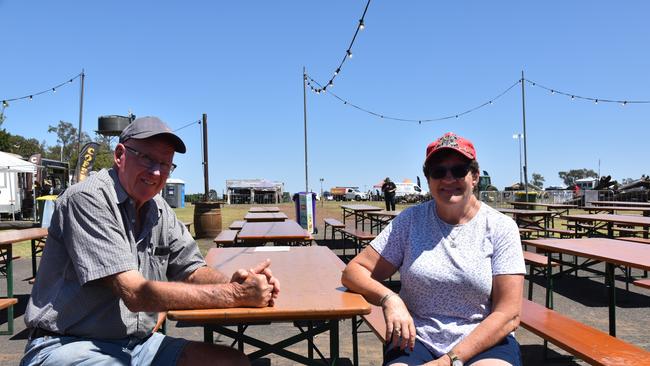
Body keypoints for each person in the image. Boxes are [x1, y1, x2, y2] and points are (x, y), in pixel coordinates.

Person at [22, 116, 280, 366]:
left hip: (137, 345)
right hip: (67, 345)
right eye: (146, 158)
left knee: (230, 361)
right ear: (120, 155)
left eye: (165, 164)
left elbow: (191, 269)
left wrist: (237, 282)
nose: (156, 172)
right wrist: (235, 295)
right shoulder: (88, 199)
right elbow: (135, 293)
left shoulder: (158, 208)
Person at [342, 132, 525, 366]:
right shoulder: (409, 222)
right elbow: (354, 271)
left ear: (475, 176)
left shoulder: (501, 227)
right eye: (438, 172)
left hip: (484, 340)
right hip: (417, 338)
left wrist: (448, 361)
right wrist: (390, 298)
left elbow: (508, 314)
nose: (448, 179)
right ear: (428, 179)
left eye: (458, 170)